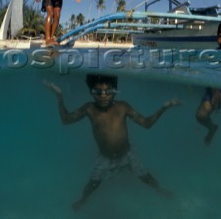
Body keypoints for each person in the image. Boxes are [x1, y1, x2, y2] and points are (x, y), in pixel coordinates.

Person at [44, 74, 181, 211]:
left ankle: (159, 189)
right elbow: (66, 120)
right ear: (91, 93)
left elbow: (146, 123)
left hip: (127, 154)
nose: (103, 95)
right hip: (106, 157)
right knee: (93, 184)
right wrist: (59, 95)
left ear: (115, 91)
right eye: (98, 92)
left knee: (145, 176)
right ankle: (82, 200)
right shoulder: (89, 109)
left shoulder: (123, 107)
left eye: (108, 91)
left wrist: (165, 106)